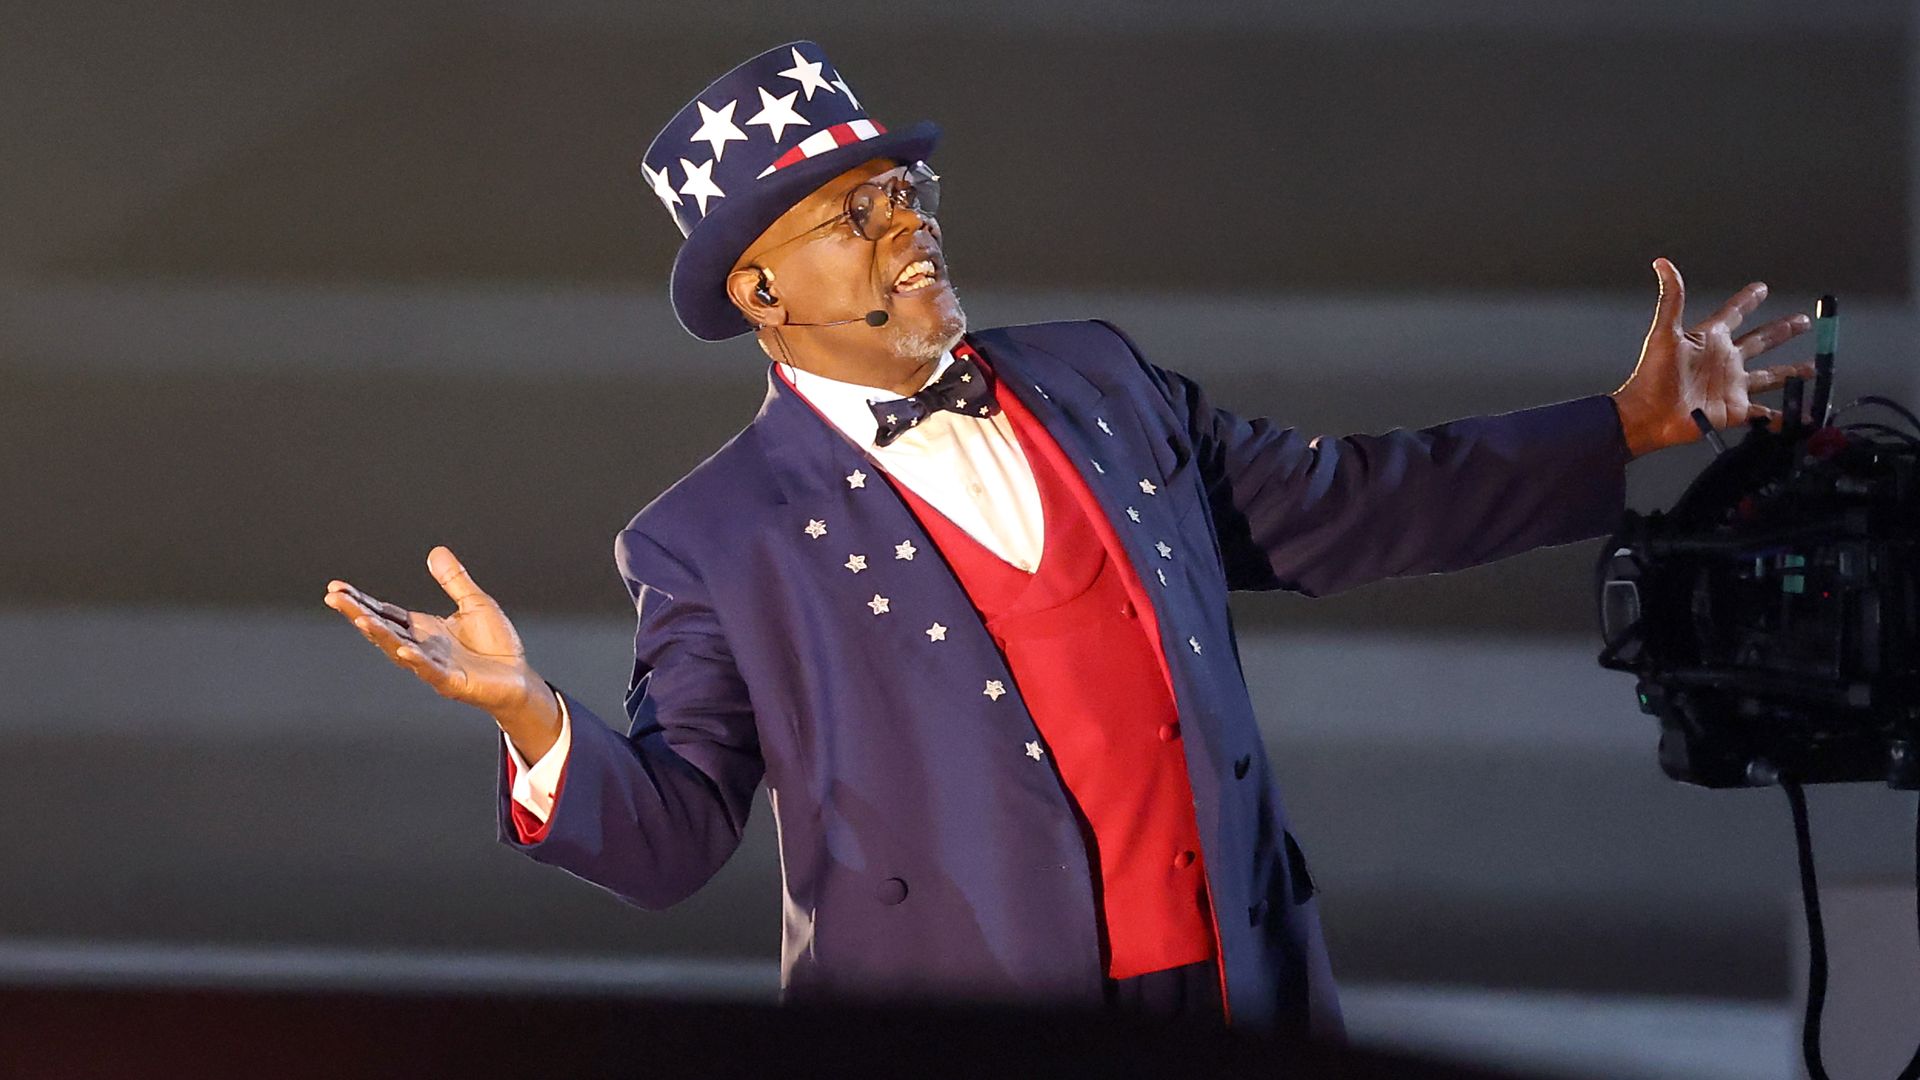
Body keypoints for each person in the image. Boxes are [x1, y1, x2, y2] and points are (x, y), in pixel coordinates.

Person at [323, 41, 1815, 1037]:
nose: (904, 224)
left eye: (902, 190)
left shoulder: (1100, 380)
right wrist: (532, 719)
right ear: (761, 295)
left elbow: (1350, 504)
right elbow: (674, 840)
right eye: (848, 215)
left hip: (1240, 989)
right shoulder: (716, 539)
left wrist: (1616, 426)